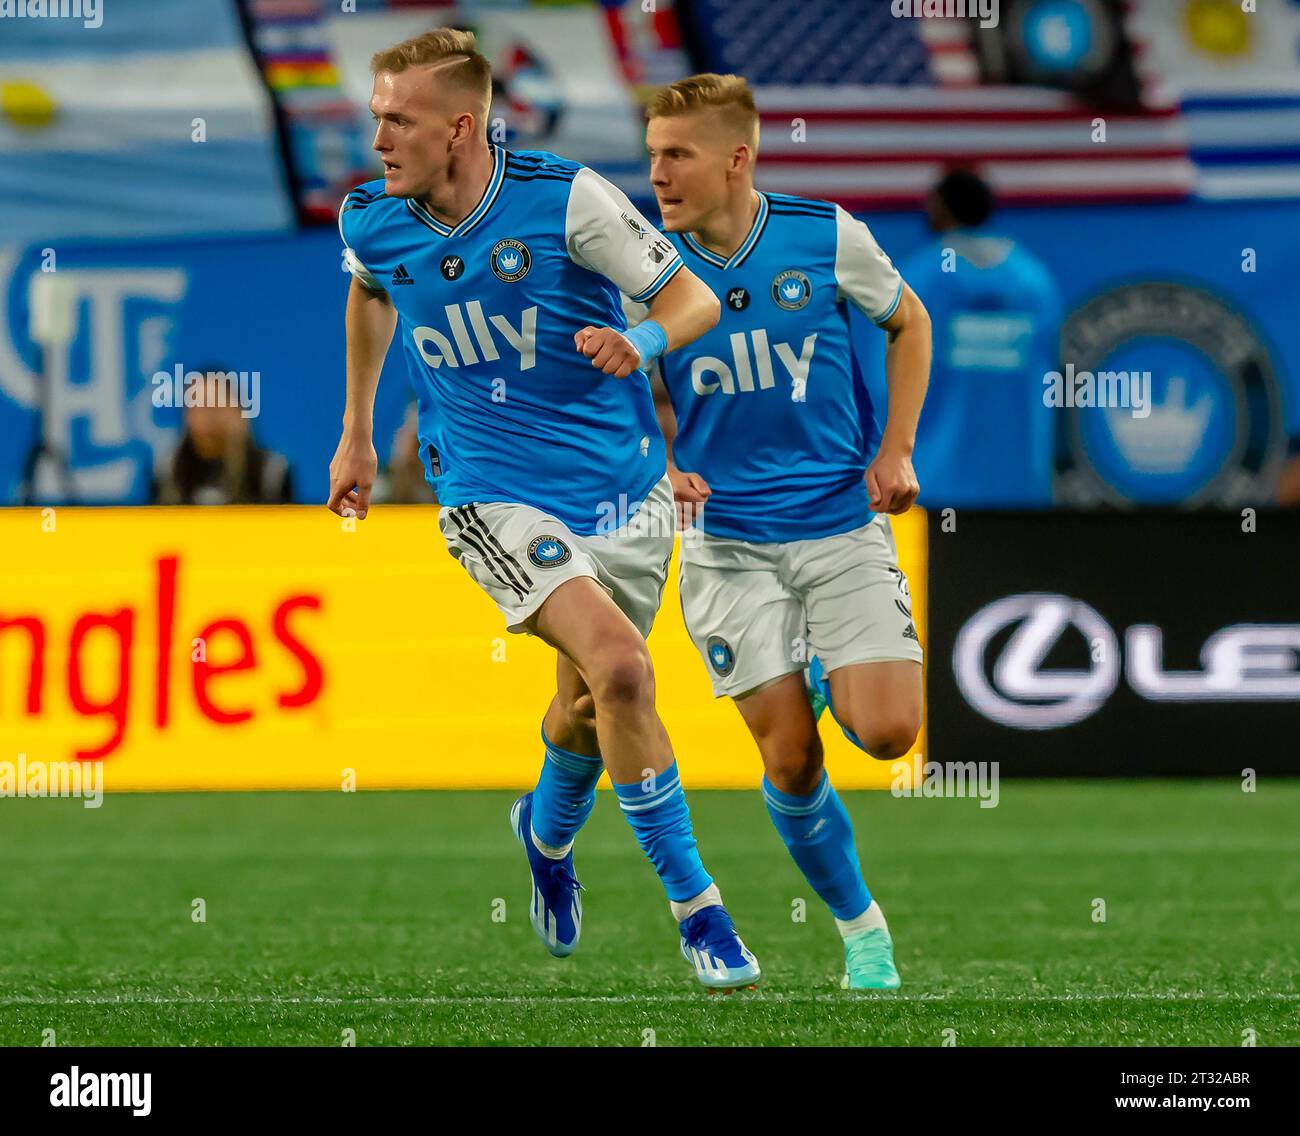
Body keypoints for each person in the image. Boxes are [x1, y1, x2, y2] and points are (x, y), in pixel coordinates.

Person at [327, 30, 760, 988]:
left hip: (625, 491)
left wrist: (642, 341)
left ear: (462, 128)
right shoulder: (373, 218)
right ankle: (702, 914)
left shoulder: (565, 200)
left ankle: (545, 834)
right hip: (491, 493)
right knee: (623, 667)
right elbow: (370, 296)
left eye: (399, 120)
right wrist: (357, 433)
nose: (381, 138)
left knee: (585, 706)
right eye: (377, 118)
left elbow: (693, 301)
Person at [640, 74, 931, 989]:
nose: (658, 174)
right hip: (727, 548)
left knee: (886, 735)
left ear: (738, 157)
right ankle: (864, 933)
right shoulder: (640, 263)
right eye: (651, 154)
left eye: (677, 154)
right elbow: (605, 386)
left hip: (841, 527)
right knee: (793, 761)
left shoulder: (824, 235)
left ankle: (821, 672)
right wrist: (658, 461)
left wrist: (896, 451)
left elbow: (909, 319)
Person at [904, 168, 1063, 508]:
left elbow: (885, 381)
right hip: (1022, 486)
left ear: (941, 208)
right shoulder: (1033, 281)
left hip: (933, 487)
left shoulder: (918, 280)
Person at [154, 370, 292, 505]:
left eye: (216, 407)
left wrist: (235, 452)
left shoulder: (271, 473)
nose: (207, 420)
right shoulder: (168, 472)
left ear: (240, 412)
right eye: (198, 407)